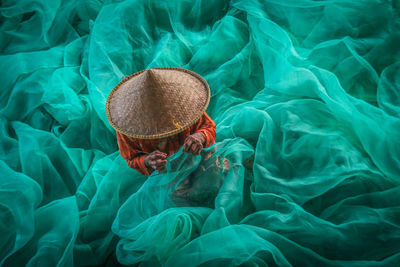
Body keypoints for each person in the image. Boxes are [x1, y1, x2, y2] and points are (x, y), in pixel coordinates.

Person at [106, 67, 216, 176]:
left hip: (196, 158)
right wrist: (148, 161)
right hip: (164, 174)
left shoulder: (186, 107)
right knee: (178, 192)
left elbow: (209, 127)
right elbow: (132, 158)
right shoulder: (127, 126)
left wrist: (200, 136)